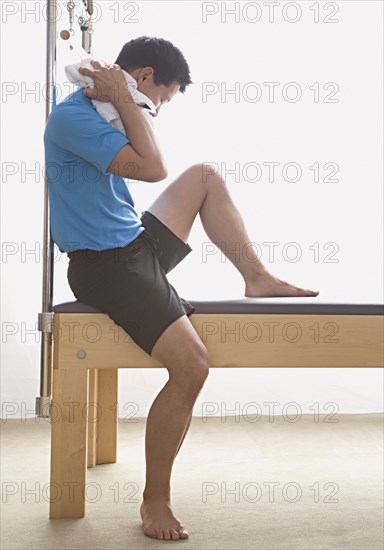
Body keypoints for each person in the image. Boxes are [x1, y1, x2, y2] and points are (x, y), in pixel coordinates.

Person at [44, 36, 319, 541]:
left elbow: (159, 167)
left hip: (133, 244)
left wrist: (126, 103)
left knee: (205, 177)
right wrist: (129, 103)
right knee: (193, 364)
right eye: (163, 99)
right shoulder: (74, 118)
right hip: (106, 265)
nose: (159, 111)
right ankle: (155, 501)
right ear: (143, 78)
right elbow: (152, 169)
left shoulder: (106, 110)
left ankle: (256, 278)